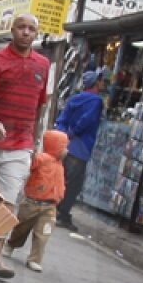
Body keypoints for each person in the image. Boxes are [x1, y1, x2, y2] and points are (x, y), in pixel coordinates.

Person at [0, 13, 50, 282]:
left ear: (36, 34)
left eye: (31, 29)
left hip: (20, 145)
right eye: (21, 27)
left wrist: (36, 141)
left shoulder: (43, 64)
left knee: (6, 202)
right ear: (12, 30)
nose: (26, 32)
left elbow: (40, 106)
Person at [5, 129, 68, 273]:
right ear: (55, 146)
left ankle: (35, 259)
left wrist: (59, 195)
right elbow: (30, 166)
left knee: (43, 234)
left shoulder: (60, 164)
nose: (66, 151)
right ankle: (11, 244)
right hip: (31, 202)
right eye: (63, 146)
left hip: (50, 206)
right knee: (21, 228)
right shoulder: (41, 159)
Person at [55, 70, 107, 232]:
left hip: (66, 145)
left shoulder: (74, 98)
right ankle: (62, 215)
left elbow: (61, 120)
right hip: (81, 147)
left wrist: (65, 136)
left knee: (62, 179)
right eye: (101, 80)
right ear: (96, 83)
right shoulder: (96, 101)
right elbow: (87, 120)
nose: (103, 83)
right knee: (74, 184)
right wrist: (74, 133)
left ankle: (55, 210)